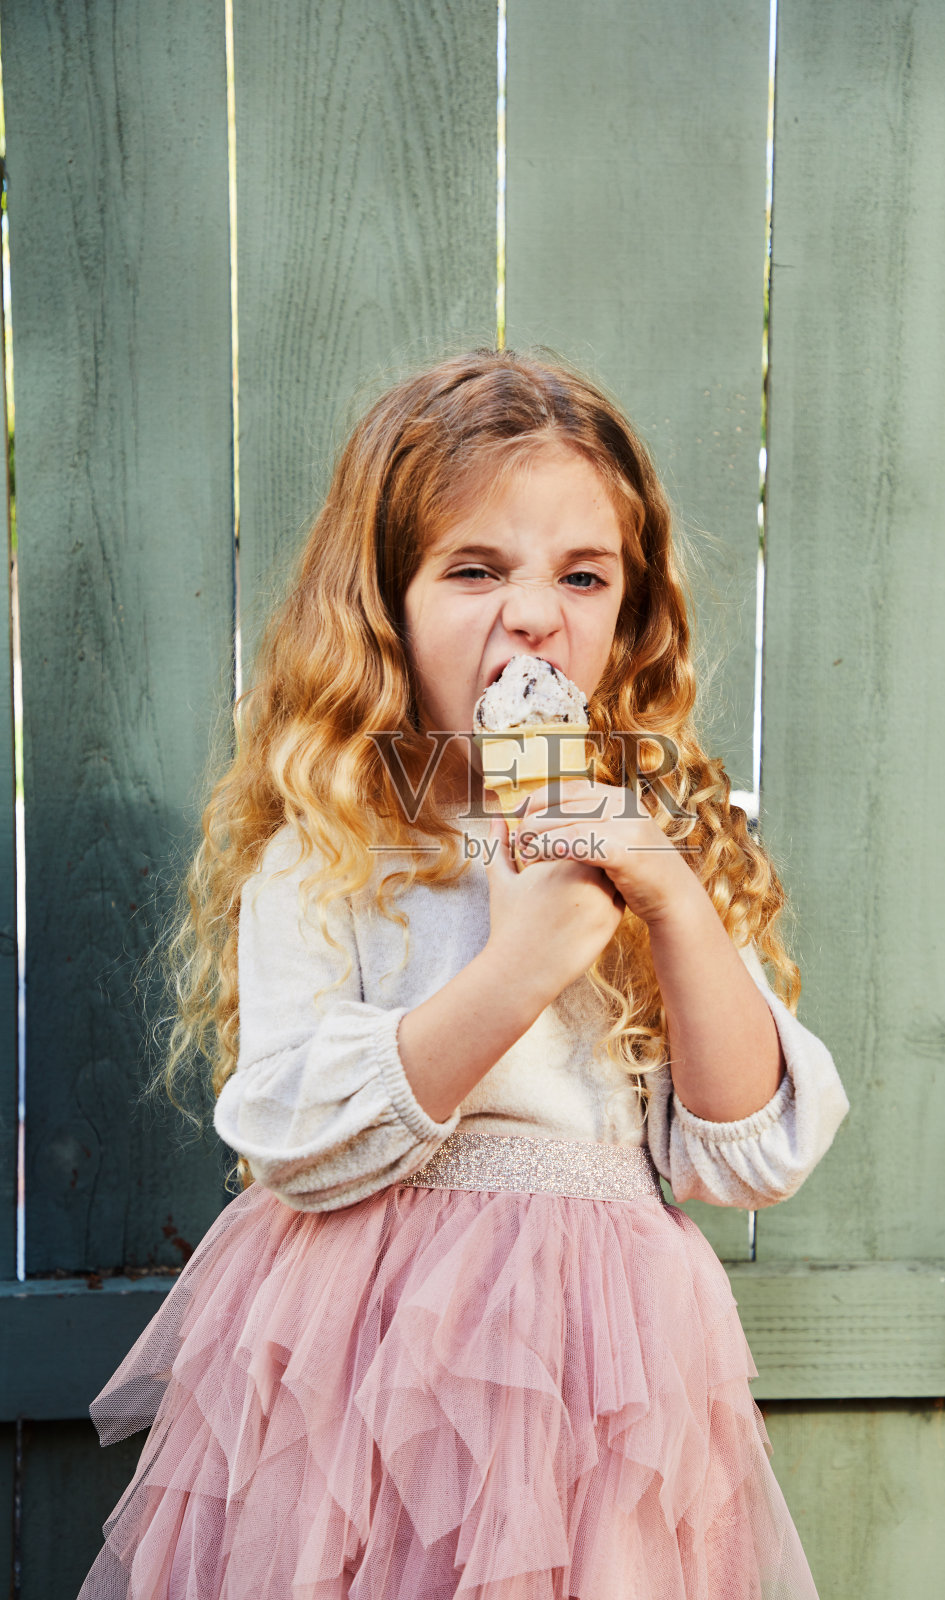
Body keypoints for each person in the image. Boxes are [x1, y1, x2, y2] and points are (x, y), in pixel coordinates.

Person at [78, 348, 849, 1599]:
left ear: (629, 613)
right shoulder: (331, 848)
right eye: (477, 569)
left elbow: (746, 1148)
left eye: (581, 576)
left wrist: (662, 891)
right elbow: (294, 1140)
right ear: (386, 600)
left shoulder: (663, 839)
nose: (534, 613)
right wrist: (525, 958)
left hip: (598, 1372)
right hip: (359, 1355)